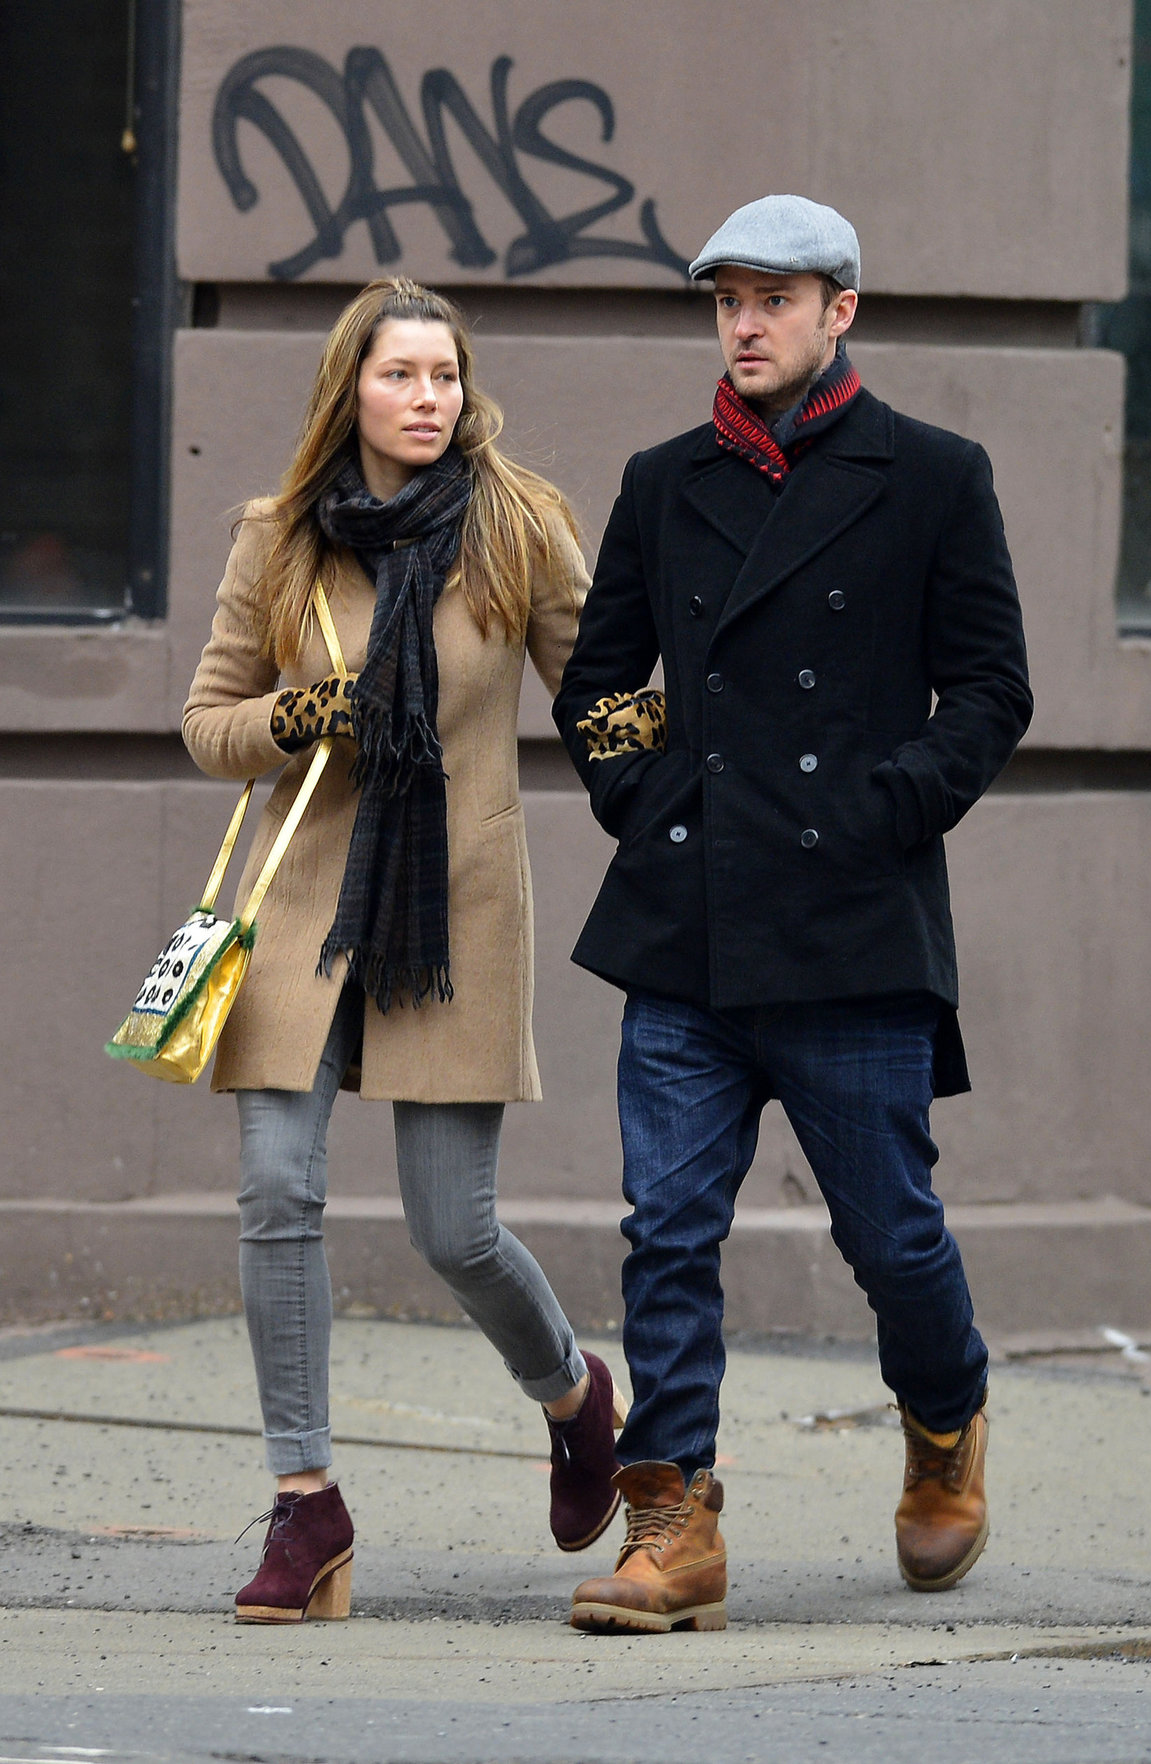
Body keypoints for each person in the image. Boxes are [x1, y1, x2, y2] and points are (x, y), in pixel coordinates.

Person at [553, 195, 1033, 1634]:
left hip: (852, 927)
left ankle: (944, 1419)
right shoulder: (663, 478)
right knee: (667, 1227)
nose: (745, 324)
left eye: (775, 298)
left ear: (842, 313)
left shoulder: (935, 476)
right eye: (728, 300)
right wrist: (647, 798)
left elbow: (995, 692)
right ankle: (674, 1524)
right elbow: (593, 683)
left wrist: (881, 811)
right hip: (689, 922)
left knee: (890, 1236)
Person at [183, 277, 627, 1625]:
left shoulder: (519, 527)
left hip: (458, 906)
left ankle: (573, 1392)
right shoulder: (281, 540)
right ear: (351, 391)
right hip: (302, 899)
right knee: (276, 1186)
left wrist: (674, 751)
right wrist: (300, 713)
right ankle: (305, 1504)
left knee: (455, 1227)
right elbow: (209, 725)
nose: (428, 397)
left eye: (445, 374)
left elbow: (599, 699)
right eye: (401, 376)